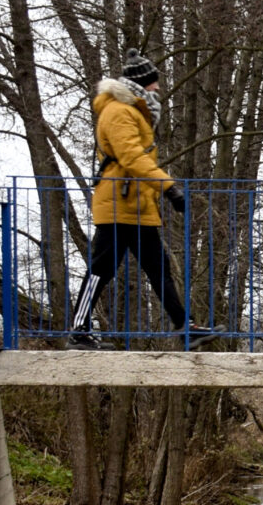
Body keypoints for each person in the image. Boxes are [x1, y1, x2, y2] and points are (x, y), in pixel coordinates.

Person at [70, 49, 200, 345]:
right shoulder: (118, 112)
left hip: (134, 205)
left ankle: (186, 326)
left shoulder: (133, 111)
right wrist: (168, 187)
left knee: (159, 268)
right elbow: (131, 158)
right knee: (101, 270)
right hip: (118, 205)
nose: (158, 88)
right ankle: (78, 329)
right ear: (141, 85)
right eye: (154, 83)